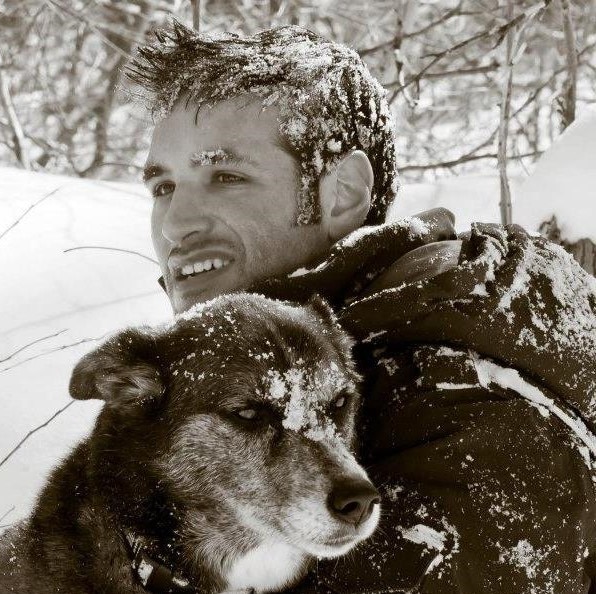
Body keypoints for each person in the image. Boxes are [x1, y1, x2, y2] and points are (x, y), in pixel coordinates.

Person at [127, 22, 596, 593]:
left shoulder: (472, 411)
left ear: (343, 193)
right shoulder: (237, 375)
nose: (175, 224)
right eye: (163, 188)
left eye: (226, 177)